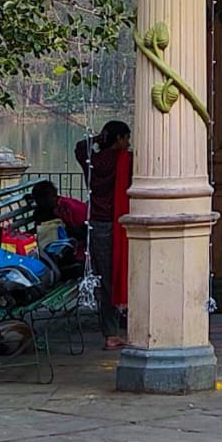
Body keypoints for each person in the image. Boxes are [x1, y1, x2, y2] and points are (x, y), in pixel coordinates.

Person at [75, 120, 131, 349]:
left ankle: (110, 332)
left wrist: (98, 139)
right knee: (117, 277)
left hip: (97, 226)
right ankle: (114, 333)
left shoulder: (93, 161)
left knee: (105, 281)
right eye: (126, 138)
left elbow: (80, 147)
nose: (128, 143)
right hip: (117, 224)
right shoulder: (125, 161)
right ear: (118, 140)